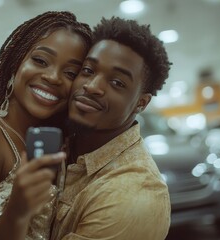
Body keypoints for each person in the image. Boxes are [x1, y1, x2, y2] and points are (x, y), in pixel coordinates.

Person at [0, 11, 92, 240]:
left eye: (71, 73)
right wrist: (17, 210)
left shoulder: (62, 146)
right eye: (40, 61)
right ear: (16, 63)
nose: (53, 77)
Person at [50, 17, 172, 240]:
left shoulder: (133, 196)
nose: (92, 86)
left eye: (117, 83)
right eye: (87, 70)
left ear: (141, 103)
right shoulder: (62, 145)